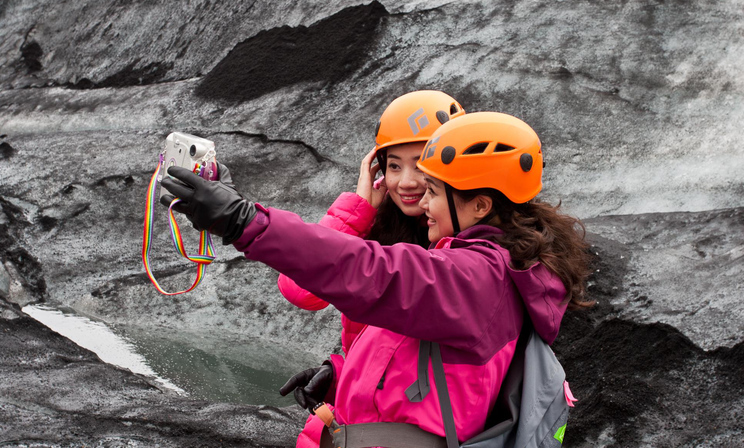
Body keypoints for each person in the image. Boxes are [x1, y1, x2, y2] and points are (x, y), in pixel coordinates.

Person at [160, 111, 591, 447]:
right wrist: (343, 372)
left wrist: (244, 222)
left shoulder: (478, 279)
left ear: (479, 206)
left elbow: (371, 273)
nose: (422, 201)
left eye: (435, 192)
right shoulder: (485, 270)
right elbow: (421, 358)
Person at [276, 90, 465, 447]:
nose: (406, 181)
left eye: (421, 164)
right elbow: (299, 289)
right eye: (394, 165)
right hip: (363, 421)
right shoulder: (377, 228)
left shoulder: (463, 249)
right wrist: (359, 207)